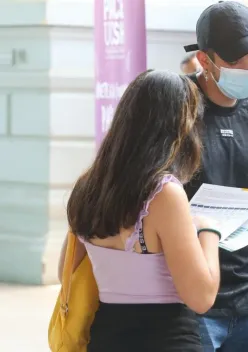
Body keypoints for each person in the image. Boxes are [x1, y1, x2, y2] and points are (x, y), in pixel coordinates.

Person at [59, 70, 222, 352]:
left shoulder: (87, 186)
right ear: (178, 125)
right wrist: (208, 230)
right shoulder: (164, 193)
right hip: (166, 338)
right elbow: (201, 296)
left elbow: (67, 269)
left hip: (105, 336)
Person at [182, 2, 248, 351]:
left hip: (247, 293)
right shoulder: (179, 106)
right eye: (236, 61)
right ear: (204, 60)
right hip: (193, 297)